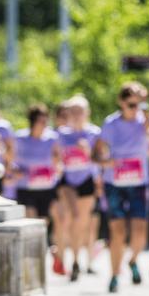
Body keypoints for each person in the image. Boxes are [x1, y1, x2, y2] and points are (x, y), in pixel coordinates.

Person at [95, 82, 149, 293]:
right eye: (131, 104)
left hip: (139, 182)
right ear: (121, 103)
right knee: (117, 231)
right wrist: (108, 163)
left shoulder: (145, 122)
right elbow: (96, 155)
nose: (135, 108)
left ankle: (133, 260)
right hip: (114, 183)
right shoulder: (110, 123)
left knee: (140, 232)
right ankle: (115, 275)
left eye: (139, 104)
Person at [56, 95, 101, 281]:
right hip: (67, 180)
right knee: (71, 217)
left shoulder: (94, 133)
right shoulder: (60, 134)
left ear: (87, 113)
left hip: (87, 180)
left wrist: (88, 152)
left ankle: (76, 260)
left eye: (79, 111)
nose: (76, 115)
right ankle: (71, 259)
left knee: (82, 222)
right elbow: (53, 158)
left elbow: (100, 159)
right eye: (72, 111)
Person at [12, 104, 62, 265]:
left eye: (45, 119)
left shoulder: (52, 138)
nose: (44, 123)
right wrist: (16, 171)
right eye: (40, 120)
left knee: (43, 222)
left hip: (46, 188)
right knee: (30, 219)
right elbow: (11, 160)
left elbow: (58, 161)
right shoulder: (20, 138)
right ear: (32, 121)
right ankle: (30, 255)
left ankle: (42, 252)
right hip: (26, 187)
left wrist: (57, 167)